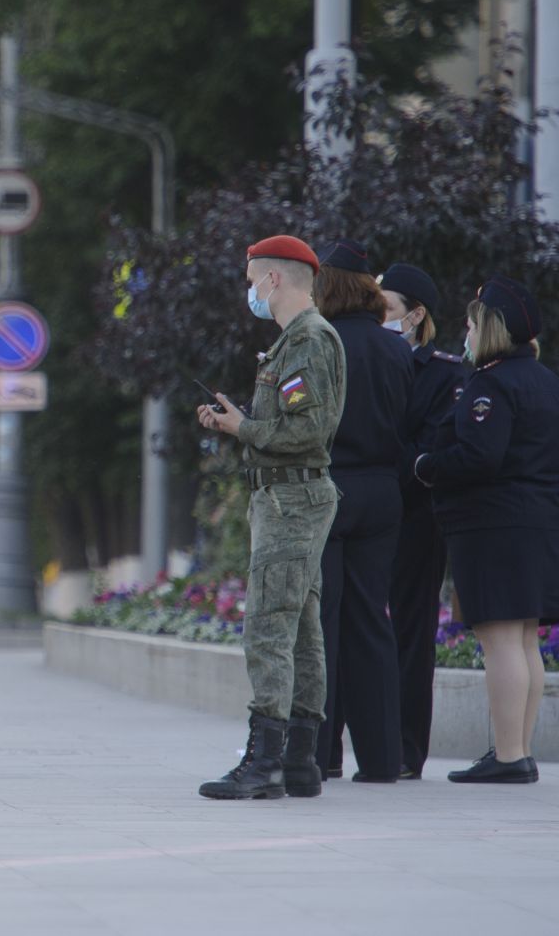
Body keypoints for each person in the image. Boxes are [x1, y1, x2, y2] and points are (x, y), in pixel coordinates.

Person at [195, 234, 345, 800]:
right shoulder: (295, 341)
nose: (249, 290)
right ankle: (301, 761)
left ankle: (265, 764)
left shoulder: (307, 339)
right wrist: (241, 422)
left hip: (291, 499)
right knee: (302, 627)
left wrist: (243, 429)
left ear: (274, 280)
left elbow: (308, 431)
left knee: (268, 626)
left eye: (252, 278)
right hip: (289, 496)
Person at [415, 277, 559, 784]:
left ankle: (508, 755)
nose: (466, 331)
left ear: (491, 329)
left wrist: (428, 464)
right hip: (536, 522)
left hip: (495, 525)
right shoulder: (544, 380)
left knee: (500, 640)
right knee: (524, 642)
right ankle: (517, 749)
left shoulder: (491, 383)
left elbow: (480, 455)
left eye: (472, 322)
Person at [312, 239, 412, 783]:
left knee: (322, 621)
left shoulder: (318, 343)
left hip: (328, 488)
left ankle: (321, 752)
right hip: (383, 491)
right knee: (372, 620)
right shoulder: (397, 348)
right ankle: (381, 759)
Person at [380, 261, 467, 778]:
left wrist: (385, 458)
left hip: (416, 516)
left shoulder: (444, 372)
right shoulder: (368, 359)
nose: (379, 319)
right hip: (371, 513)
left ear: (415, 316)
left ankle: (407, 748)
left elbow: (433, 446)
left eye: (387, 310)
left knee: (411, 633)